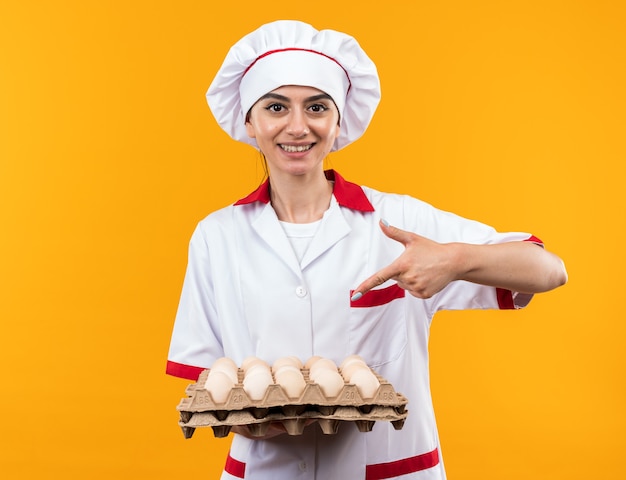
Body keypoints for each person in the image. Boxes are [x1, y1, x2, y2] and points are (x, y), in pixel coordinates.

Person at [166, 20, 567, 480]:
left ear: (339, 123)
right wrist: (254, 417)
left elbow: (548, 269)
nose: (297, 126)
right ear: (249, 120)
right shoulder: (217, 236)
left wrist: (455, 259)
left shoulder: (399, 222)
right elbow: (210, 380)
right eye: (276, 107)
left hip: (391, 469)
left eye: (316, 107)